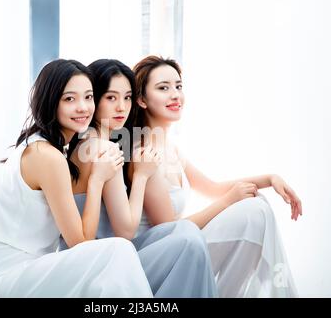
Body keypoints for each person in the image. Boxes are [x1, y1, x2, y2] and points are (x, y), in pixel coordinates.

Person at [0, 59, 154, 297]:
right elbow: (80, 243)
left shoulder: (52, 148)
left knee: (115, 261)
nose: (83, 107)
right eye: (69, 99)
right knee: (117, 251)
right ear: (50, 102)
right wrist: (96, 181)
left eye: (89, 97)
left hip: (19, 268)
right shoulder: (46, 155)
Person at [127, 55, 302, 297]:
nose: (175, 94)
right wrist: (230, 200)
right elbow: (172, 233)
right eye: (163, 88)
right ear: (142, 100)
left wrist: (270, 179)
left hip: (185, 245)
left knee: (256, 206)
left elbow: (211, 187)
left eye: (178, 86)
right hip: (166, 259)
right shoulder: (144, 154)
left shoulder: (171, 148)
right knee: (255, 212)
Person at [60, 59, 217, 297]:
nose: (122, 107)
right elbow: (125, 230)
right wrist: (142, 176)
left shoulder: (84, 142)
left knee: (187, 234)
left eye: (127, 97)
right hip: (103, 263)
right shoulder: (103, 149)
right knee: (189, 242)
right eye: (111, 98)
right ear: (94, 99)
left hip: (94, 255)